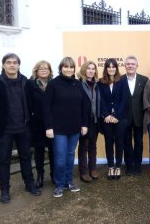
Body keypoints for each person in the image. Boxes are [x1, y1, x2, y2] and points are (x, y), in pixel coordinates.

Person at [0, 53, 41, 204]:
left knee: (26, 157)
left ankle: (29, 184)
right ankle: (4, 190)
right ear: (3, 65)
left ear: (19, 65)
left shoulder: (26, 82)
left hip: (24, 128)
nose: (12, 65)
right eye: (8, 62)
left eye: (15, 62)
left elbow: (33, 102)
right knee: (4, 160)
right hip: (4, 129)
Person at [43, 57, 89, 198]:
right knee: (60, 157)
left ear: (74, 69)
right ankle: (59, 184)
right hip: (58, 129)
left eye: (71, 67)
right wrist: (48, 127)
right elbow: (46, 107)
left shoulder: (78, 84)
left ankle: (69, 182)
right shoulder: (53, 84)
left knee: (70, 156)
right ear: (61, 68)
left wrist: (85, 124)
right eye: (66, 67)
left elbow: (85, 106)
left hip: (75, 128)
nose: (69, 69)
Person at [98, 58, 128, 180]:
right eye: (109, 66)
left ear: (116, 68)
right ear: (106, 68)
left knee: (119, 142)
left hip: (120, 118)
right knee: (108, 142)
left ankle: (118, 166)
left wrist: (117, 116)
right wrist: (106, 115)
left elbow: (124, 100)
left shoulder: (122, 81)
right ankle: (111, 166)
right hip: (106, 119)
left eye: (113, 66)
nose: (111, 69)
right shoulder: (100, 82)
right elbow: (101, 101)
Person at [29, 60, 54, 188]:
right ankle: (40, 175)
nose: (43, 70)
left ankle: (54, 174)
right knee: (38, 151)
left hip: (53, 124)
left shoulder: (55, 84)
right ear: (36, 71)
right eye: (41, 68)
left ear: (50, 71)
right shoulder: (30, 84)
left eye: (46, 68)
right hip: (37, 124)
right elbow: (27, 104)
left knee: (53, 150)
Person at [122, 56, 148, 175]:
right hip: (124, 117)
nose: (130, 66)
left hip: (139, 117)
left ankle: (137, 166)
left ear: (137, 66)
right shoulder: (119, 80)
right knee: (126, 143)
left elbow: (147, 98)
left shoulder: (144, 80)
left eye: (133, 64)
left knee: (139, 142)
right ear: (125, 66)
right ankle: (129, 167)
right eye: (128, 64)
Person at [77, 61, 100, 182]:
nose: (91, 71)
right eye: (88, 68)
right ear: (84, 70)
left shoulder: (97, 84)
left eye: (93, 69)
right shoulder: (79, 84)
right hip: (83, 121)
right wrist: (82, 123)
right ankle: (84, 171)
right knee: (83, 146)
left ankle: (93, 169)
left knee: (93, 145)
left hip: (94, 120)